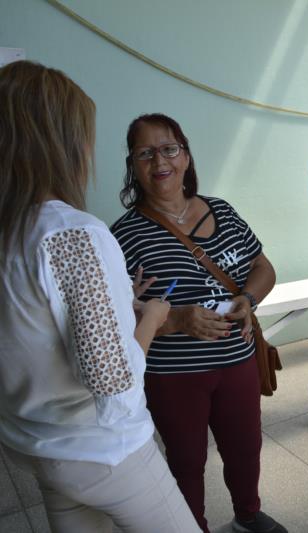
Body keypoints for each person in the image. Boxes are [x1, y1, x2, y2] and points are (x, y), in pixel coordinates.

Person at [0, 61, 199, 532]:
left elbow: (30, 323)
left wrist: (111, 300)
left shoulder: (12, 231)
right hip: (103, 451)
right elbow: (112, 383)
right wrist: (150, 317)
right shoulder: (72, 234)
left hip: (32, 442)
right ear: (62, 143)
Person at [110, 114, 285, 533]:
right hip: (174, 375)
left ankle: (247, 514)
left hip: (237, 359)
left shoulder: (222, 211)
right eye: (145, 153)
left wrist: (248, 298)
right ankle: (192, 526)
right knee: (187, 461)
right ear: (134, 165)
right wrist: (176, 320)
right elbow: (115, 317)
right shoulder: (125, 235)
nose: (160, 160)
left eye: (169, 148)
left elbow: (262, 266)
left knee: (245, 448)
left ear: (186, 156)